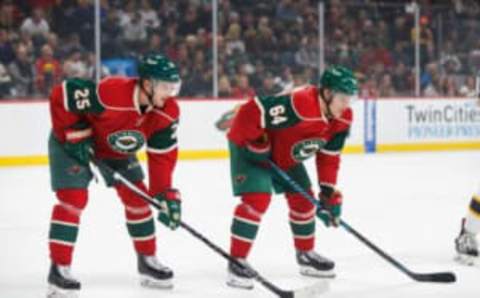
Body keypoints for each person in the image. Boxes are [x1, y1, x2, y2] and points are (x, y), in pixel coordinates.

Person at [46, 53, 182, 297]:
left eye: (174, 87)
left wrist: (163, 193)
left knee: (139, 199)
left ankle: (147, 261)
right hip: (73, 144)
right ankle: (59, 269)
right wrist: (74, 133)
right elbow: (61, 95)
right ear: (148, 84)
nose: (170, 93)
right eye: (165, 87)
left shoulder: (167, 112)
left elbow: (162, 157)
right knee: (73, 200)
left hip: (116, 148)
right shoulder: (112, 94)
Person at [225, 65, 358, 289]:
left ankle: (305, 254)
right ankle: (236, 260)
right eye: (343, 98)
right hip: (250, 146)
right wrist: (254, 141)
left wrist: (327, 192)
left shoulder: (342, 118)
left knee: (305, 199)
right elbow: (250, 111)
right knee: (258, 199)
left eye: (350, 99)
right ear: (327, 94)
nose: (346, 105)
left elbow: (328, 157)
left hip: (285, 155)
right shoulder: (302, 104)